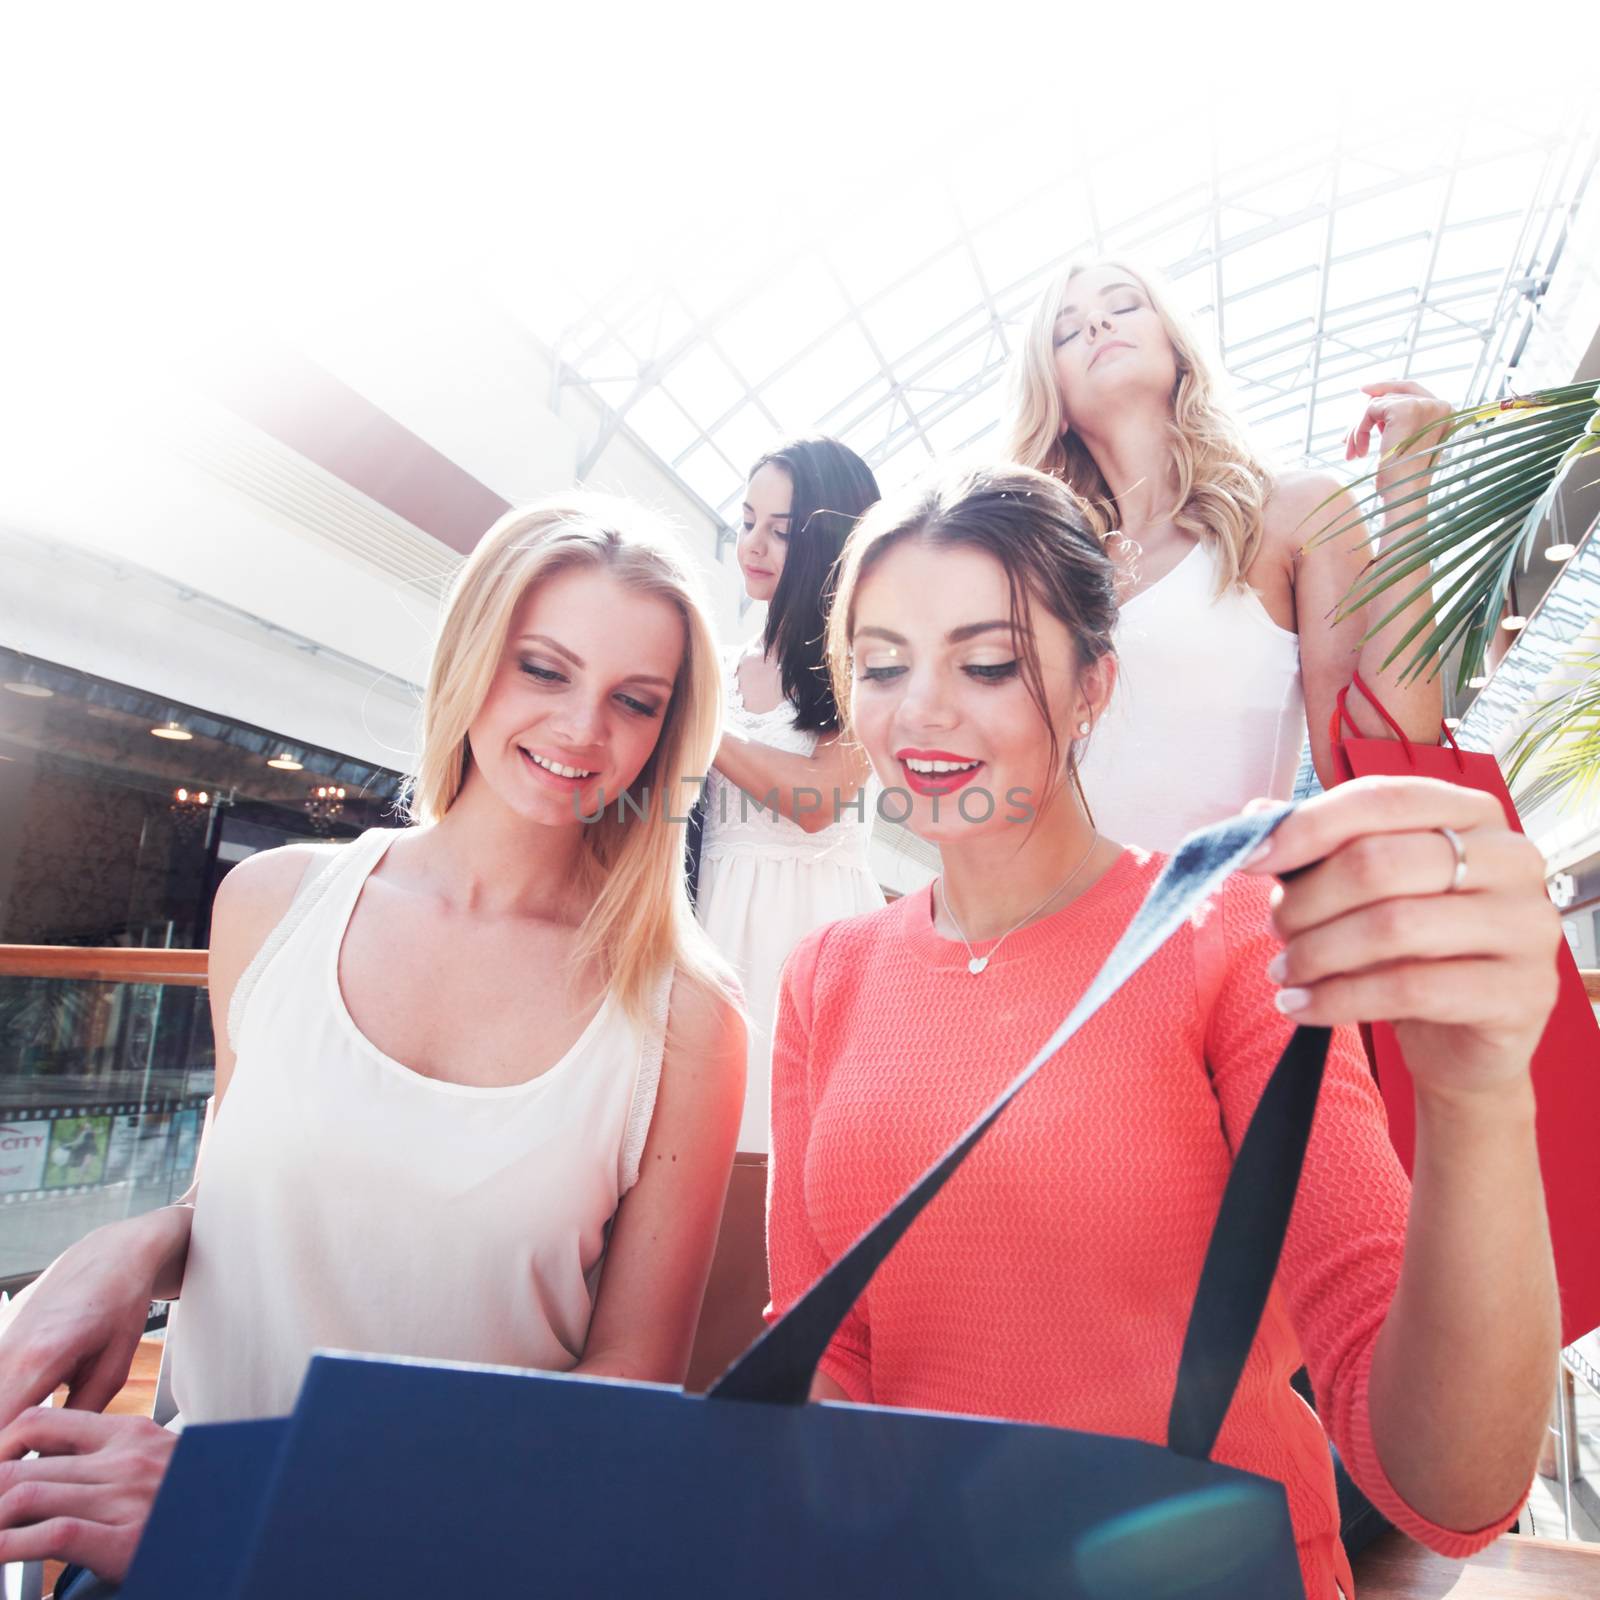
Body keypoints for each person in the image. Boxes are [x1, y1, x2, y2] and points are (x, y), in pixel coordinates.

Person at [767, 464, 1559, 1600]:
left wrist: (1479, 1095)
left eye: (986, 662)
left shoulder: (1223, 931)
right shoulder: (824, 977)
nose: (921, 709)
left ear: (1095, 684)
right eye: (882, 664)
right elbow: (828, 1356)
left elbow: (1448, 1486)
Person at [0, 494, 746, 1589]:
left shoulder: (686, 1017)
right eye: (544, 669)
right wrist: (130, 1249)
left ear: (667, 729)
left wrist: (260, 1487)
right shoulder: (269, 904)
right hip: (167, 1556)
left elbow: (626, 1388)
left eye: (633, 700)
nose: (584, 730)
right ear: (471, 658)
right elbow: (258, 1197)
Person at [1004, 258, 1451, 851]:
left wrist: (1406, 496)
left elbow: (1381, 756)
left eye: (1124, 304)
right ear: (1053, 403)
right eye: (1067, 330)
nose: (1098, 325)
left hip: (1223, 925)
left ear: (1177, 348)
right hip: (1054, 928)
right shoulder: (1041, 573)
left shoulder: (1291, 511)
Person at [694, 437, 885, 1151]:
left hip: (807, 929)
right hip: (708, 914)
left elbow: (817, 802)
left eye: (781, 530)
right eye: (747, 521)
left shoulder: (869, 665)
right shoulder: (714, 666)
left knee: (786, 1149)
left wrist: (700, 728)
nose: (754, 544)